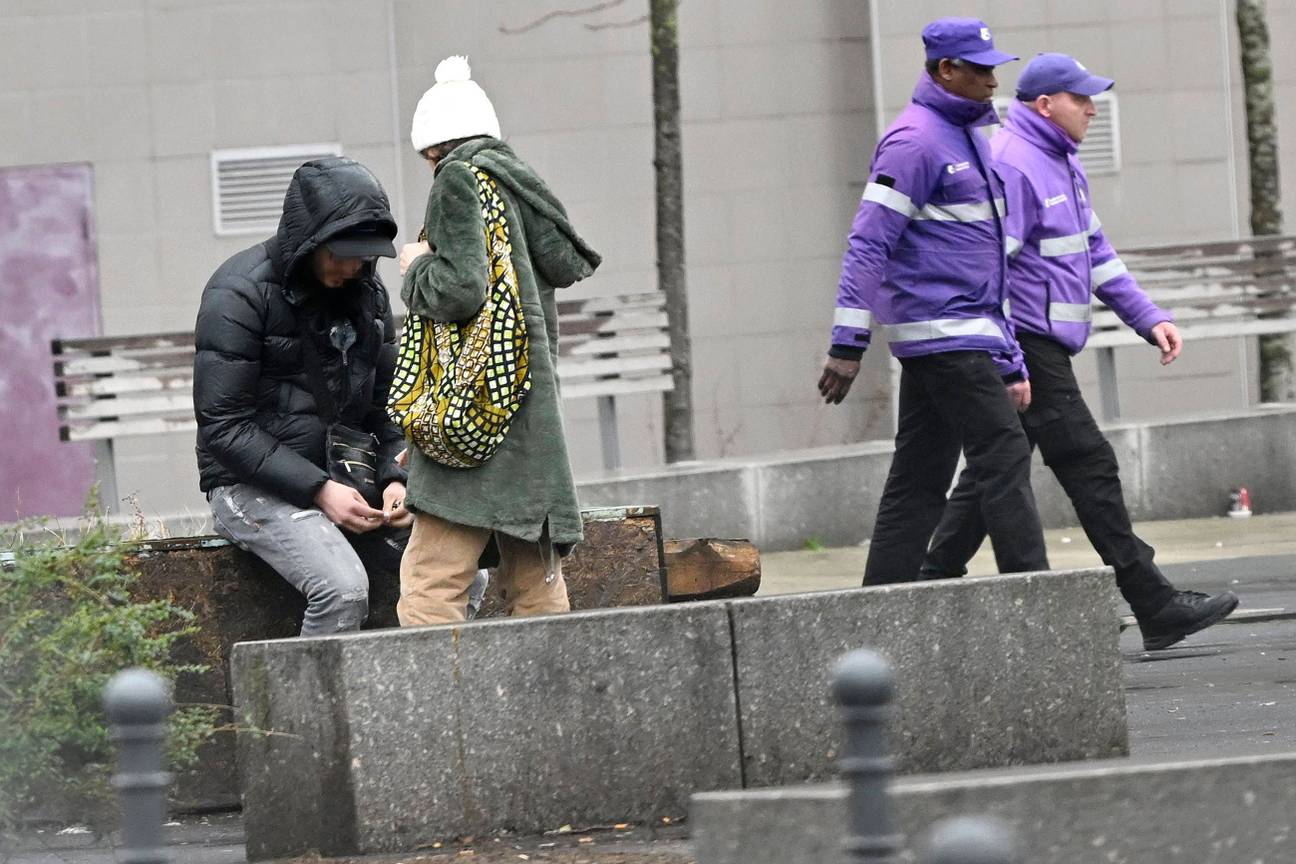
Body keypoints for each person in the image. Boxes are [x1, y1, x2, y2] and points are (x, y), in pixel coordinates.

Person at [920, 53, 1239, 650]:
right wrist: (1008, 357)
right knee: (1089, 462)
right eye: (1081, 98)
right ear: (1046, 104)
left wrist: (1149, 317)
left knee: (997, 468)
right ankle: (1153, 601)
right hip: (1026, 344)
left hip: (1040, 346)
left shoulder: (1060, 161)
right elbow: (990, 269)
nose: (1093, 107)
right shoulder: (1015, 163)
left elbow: (1095, 251)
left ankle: (928, 583)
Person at [818, 18, 1049, 585]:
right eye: (980, 68)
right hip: (944, 335)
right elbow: (869, 242)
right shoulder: (914, 142)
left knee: (920, 477)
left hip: (960, 335)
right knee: (1003, 453)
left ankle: (883, 603)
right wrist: (847, 344)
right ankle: (1042, 596)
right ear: (946, 70)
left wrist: (1011, 359)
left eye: (995, 67)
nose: (993, 80)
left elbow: (983, 265)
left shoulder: (970, 136)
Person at [395, 56, 601, 625]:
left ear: (432, 146)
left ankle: (439, 710)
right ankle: (553, 706)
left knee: (432, 581)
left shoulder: (457, 181)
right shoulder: (519, 188)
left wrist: (415, 266)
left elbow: (461, 291)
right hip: (533, 427)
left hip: (476, 416)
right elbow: (558, 267)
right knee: (535, 587)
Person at [194, 156, 413, 636]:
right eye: (340, 253)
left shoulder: (369, 295)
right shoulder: (239, 293)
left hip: (348, 478)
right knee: (342, 590)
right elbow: (224, 427)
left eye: (364, 254)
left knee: (460, 574)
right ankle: (308, 714)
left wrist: (396, 478)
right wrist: (318, 490)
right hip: (248, 487)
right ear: (309, 241)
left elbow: (388, 406)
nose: (354, 266)